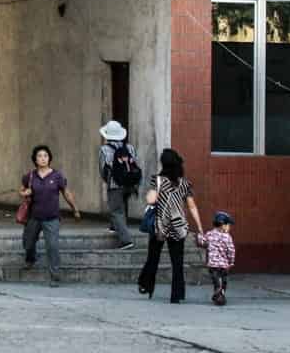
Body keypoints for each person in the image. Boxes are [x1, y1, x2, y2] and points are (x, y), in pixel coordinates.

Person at [138, 147, 204, 304]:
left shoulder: (158, 180)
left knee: (153, 257)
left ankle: (146, 285)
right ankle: (177, 294)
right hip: (178, 226)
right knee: (177, 262)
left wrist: (153, 192)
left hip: (160, 225)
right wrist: (200, 227)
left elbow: (151, 200)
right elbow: (192, 206)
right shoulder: (185, 184)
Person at [19, 144, 81, 287]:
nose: (43, 158)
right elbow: (21, 190)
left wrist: (75, 209)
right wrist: (24, 193)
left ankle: (54, 276)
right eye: (40, 156)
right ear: (35, 159)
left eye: (45, 156)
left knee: (52, 246)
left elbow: (66, 193)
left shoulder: (57, 176)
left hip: (52, 218)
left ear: (49, 158)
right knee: (28, 242)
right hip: (33, 217)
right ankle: (31, 259)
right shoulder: (30, 176)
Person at [97, 120, 140, 250]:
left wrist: (109, 180)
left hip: (115, 185)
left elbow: (102, 169)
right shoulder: (130, 148)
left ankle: (126, 240)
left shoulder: (104, 150)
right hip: (130, 184)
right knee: (120, 206)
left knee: (116, 210)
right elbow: (135, 165)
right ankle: (114, 226)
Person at [195, 211, 236, 306]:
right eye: (228, 225)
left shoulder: (209, 234)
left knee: (216, 280)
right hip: (224, 265)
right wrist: (231, 261)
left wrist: (199, 235)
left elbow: (202, 242)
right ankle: (221, 294)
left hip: (212, 264)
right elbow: (231, 250)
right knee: (224, 280)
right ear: (222, 225)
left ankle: (218, 292)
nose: (229, 227)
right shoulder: (227, 237)